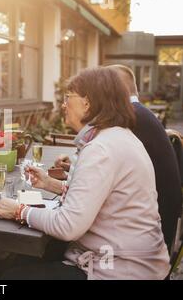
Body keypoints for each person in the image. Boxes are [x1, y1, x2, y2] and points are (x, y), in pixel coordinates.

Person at [0, 66, 170, 280]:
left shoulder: (101, 148)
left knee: (11, 276)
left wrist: (19, 211)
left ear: (87, 103)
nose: (63, 104)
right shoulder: (117, 137)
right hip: (136, 261)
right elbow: (99, 197)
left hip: (120, 270)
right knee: (28, 260)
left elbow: (68, 226)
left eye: (68, 97)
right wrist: (50, 184)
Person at [55, 64, 182, 254]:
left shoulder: (128, 117)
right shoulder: (139, 114)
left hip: (141, 239)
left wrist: (22, 211)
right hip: (151, 222)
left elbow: (104, 165)